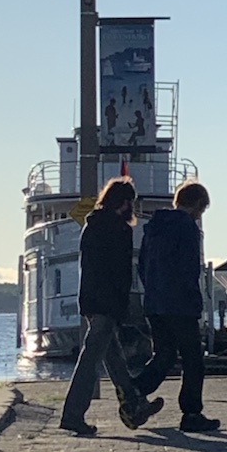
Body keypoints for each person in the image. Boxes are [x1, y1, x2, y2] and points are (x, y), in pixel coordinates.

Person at [59, 177, 164, 436]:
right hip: (108, 302)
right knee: (91, 359)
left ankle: (134, 404)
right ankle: (72, 414)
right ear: (124, 202)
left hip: (92, 301)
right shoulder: (119, 229)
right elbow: (120, 274)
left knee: (112, 356)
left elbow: (90, 269)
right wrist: (124, 306)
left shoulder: (92, 225)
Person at [133, 180, 220, 433]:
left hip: (154, 303)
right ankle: (191, 413)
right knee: (194, 359)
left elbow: (142, 266)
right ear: (197, 205)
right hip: (180, 304)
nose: (200, 215)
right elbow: (189, 269)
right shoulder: (187, 227)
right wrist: (195, 301)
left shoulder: (153, 228)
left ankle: (135, 390)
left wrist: (152, 291)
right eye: (201, 210)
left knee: (165, 354)